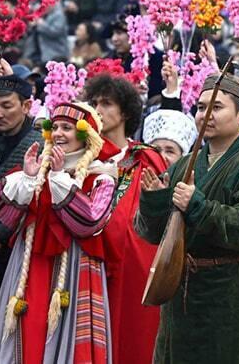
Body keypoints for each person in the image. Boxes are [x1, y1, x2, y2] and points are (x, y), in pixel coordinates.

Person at [135, 74, 239, 363]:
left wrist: (198, 206)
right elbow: (153, 234)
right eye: (201, 108)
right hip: (181, 294)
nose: (205, 115)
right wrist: (154, 202)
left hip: (228, 293)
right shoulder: (183, 166)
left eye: (216, 108)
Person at [0, 102, 117, 363]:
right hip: (30, 266)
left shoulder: (102, 178)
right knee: (28, 329)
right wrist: (27, 178)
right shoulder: (34, 172)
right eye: (54, 127)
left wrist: (58, 179)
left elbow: (90, 221)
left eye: (67, 128)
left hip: (75, 271)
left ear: (85, 135)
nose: (58, 133)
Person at [85, 73, 169, 364]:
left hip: (134, 270)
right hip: (89, 267)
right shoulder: (82, 159)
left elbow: (160, 215)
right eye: (94, 102)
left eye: (106, 103)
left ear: (126, 112)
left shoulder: (146, 157)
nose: (98, 109)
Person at [0, 72, 43, 308]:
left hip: (20, 255)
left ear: (26, 106)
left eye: (6, 106)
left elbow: (40, 202)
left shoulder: (40, 146)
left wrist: (1, 234)